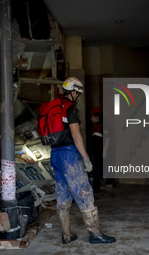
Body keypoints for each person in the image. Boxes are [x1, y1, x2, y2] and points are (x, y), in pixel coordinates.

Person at [50, 77, 116, 244]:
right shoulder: (70, 108)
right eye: (78, 93)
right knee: (84, 192)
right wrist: (86, 158)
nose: (78, 97)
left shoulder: (55, 107)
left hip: (55, 155)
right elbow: (76, 135)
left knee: (63, 194)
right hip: (69, 155)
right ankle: (95, 234)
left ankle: (66, 235)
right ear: (73, 92)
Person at [90, 107, 114, 191]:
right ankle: (100, 185)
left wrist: (104, 151)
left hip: (103, 152)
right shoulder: (97, 127)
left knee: (106, 167)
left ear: (97, 117)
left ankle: (109, 184)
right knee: (99, 168)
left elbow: (107, 138)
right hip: (97, 153)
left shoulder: (104, 126)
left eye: (92, 117)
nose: (91, 119)